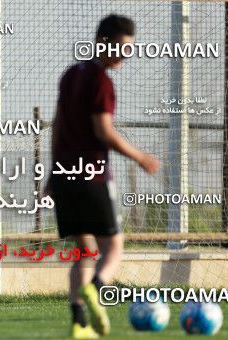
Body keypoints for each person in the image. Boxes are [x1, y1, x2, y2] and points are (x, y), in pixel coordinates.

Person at [48, 15, 160, 338]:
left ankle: (79, 324)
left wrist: (54, 173)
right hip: (93, 175)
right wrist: (140, 157)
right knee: (113, 247)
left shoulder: (71, 74)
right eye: (122, 48)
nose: (125, 56)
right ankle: (95, 289)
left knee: (83, 251)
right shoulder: (101, 81)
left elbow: (57, 124)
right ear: (103, 42)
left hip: (65, 174)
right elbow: (103, 131)